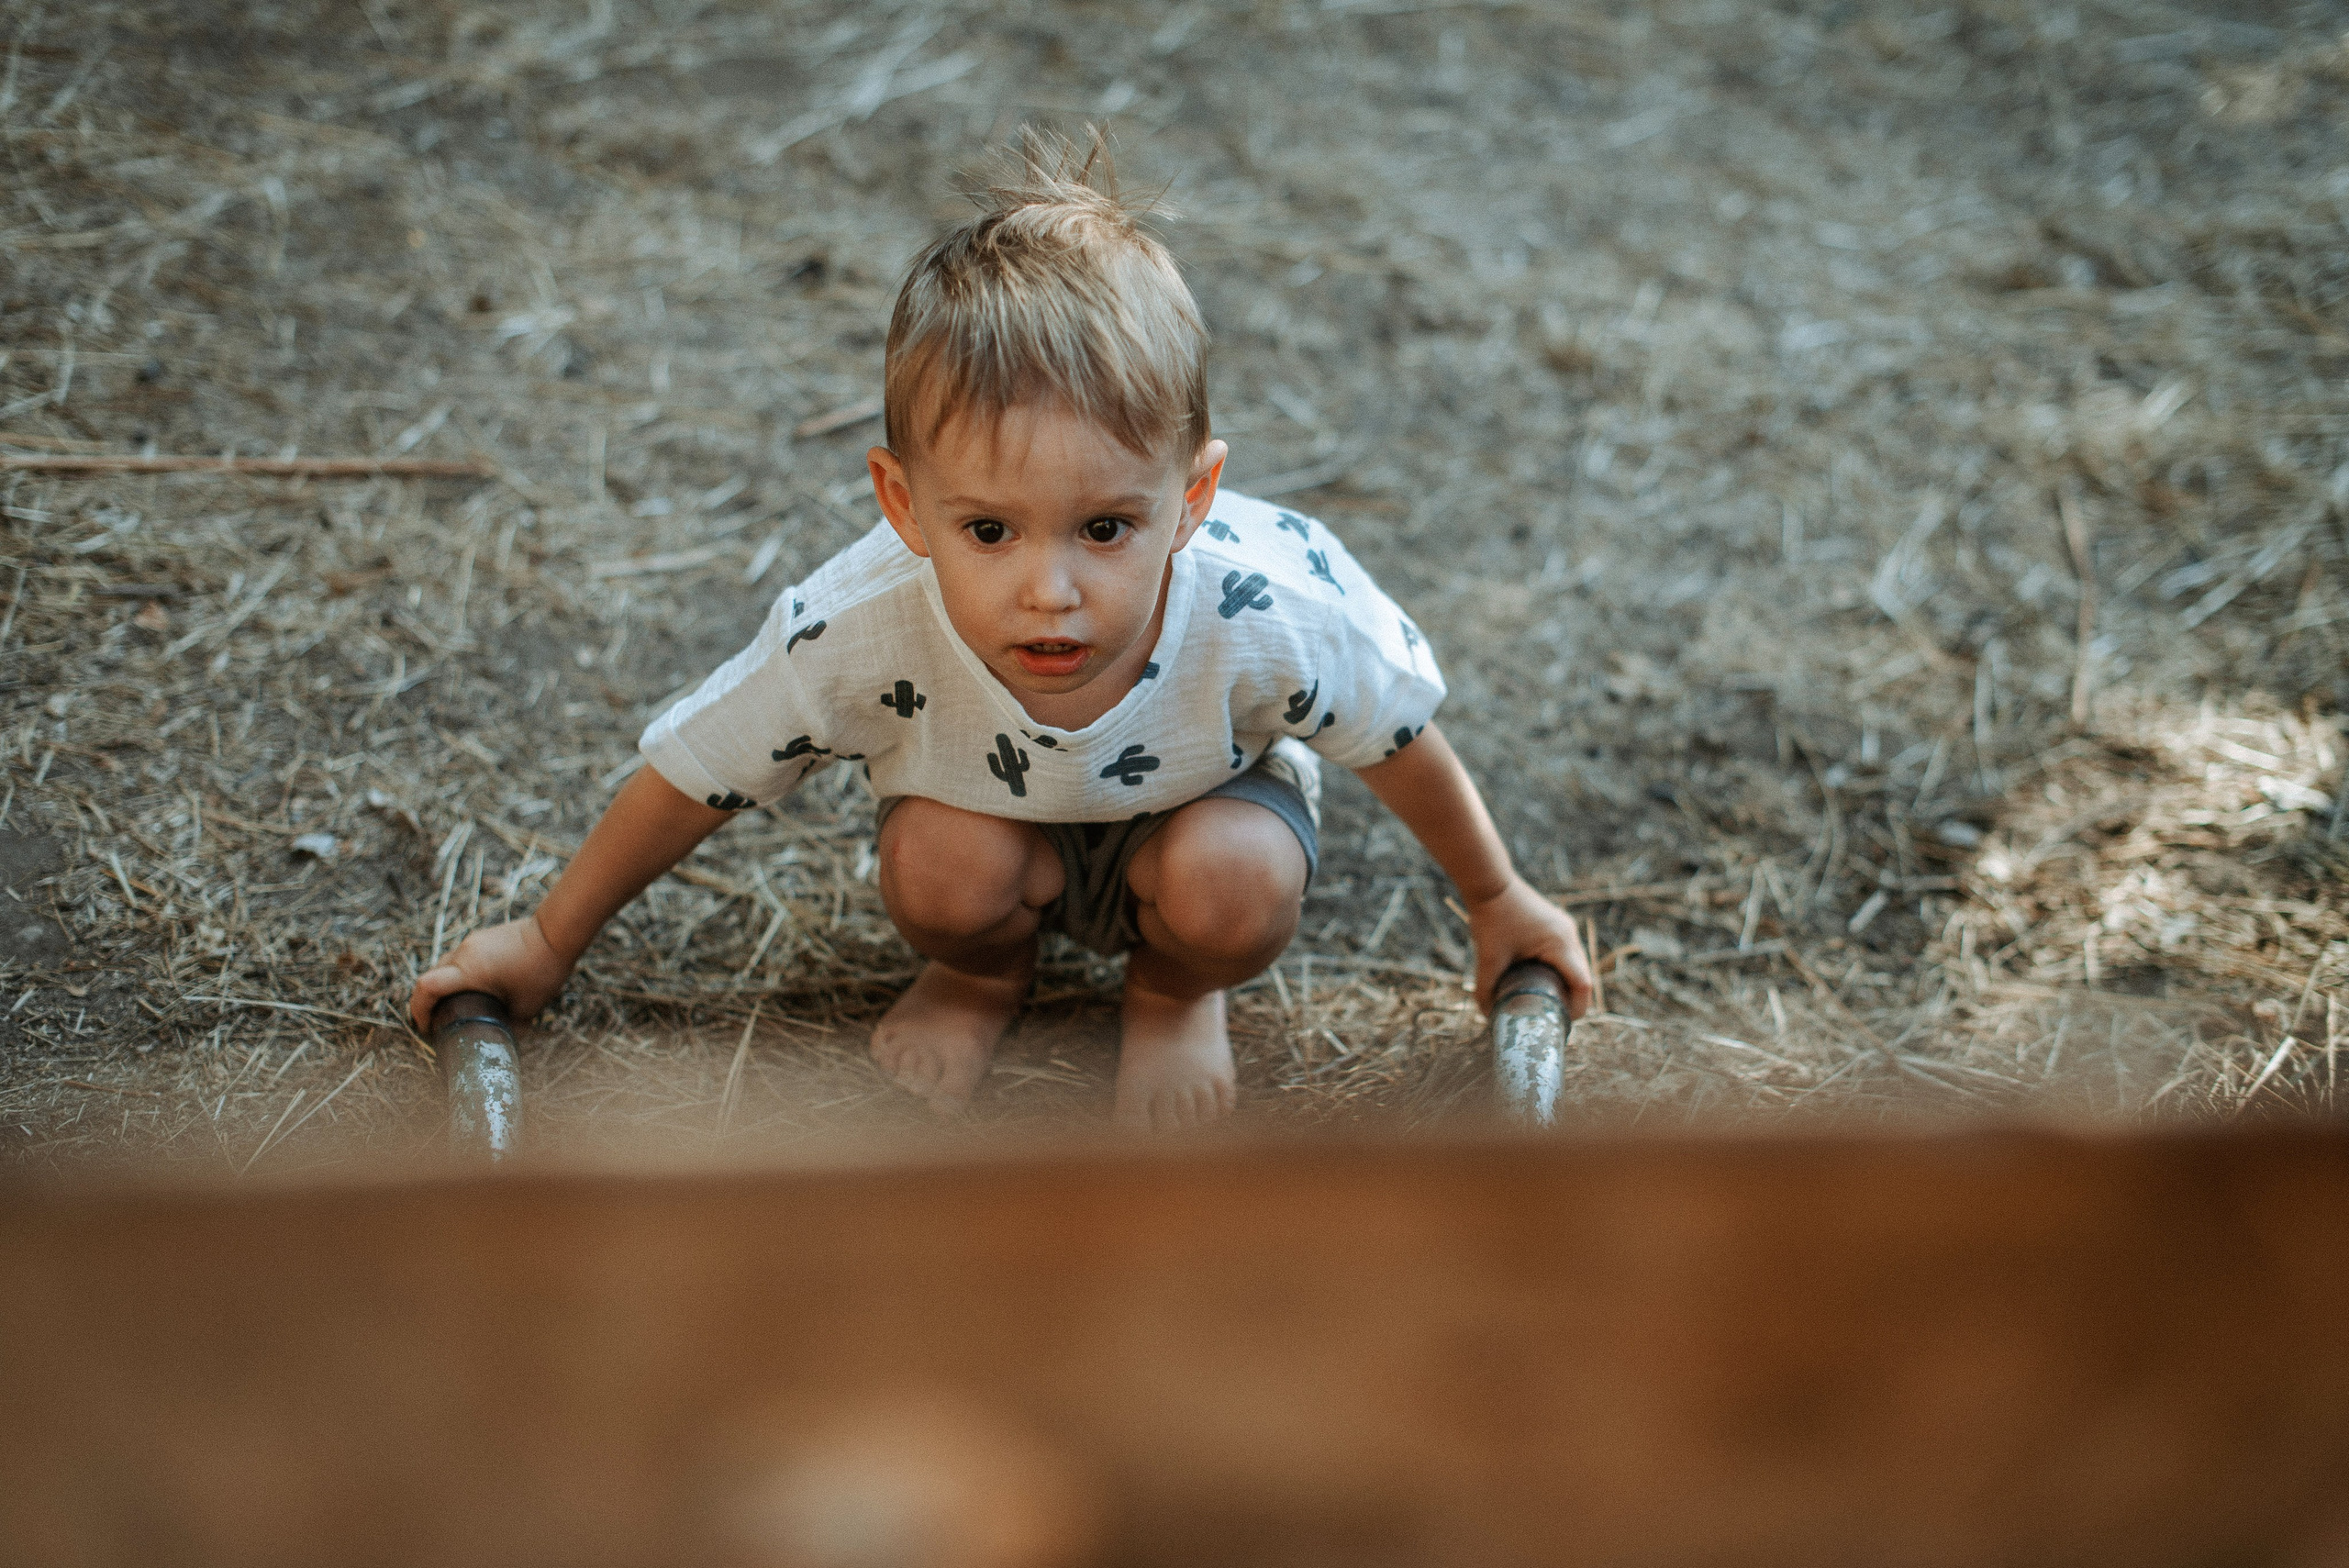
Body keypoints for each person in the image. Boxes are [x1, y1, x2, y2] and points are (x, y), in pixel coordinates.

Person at [408, 132, 1594, 1129]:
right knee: (935, 864)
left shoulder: (1264, 609)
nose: (1050, 590)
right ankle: (980, 973)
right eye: (989, 530)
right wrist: (548, 938)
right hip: (991, 825)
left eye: (1104, 527)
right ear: (901, 503)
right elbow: (693, 775)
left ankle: (1174, 991)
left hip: (1201, 821)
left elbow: (1398, 736)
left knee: (1233, 884)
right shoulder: (861, 626)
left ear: (1191, 496)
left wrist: (1498, 901)